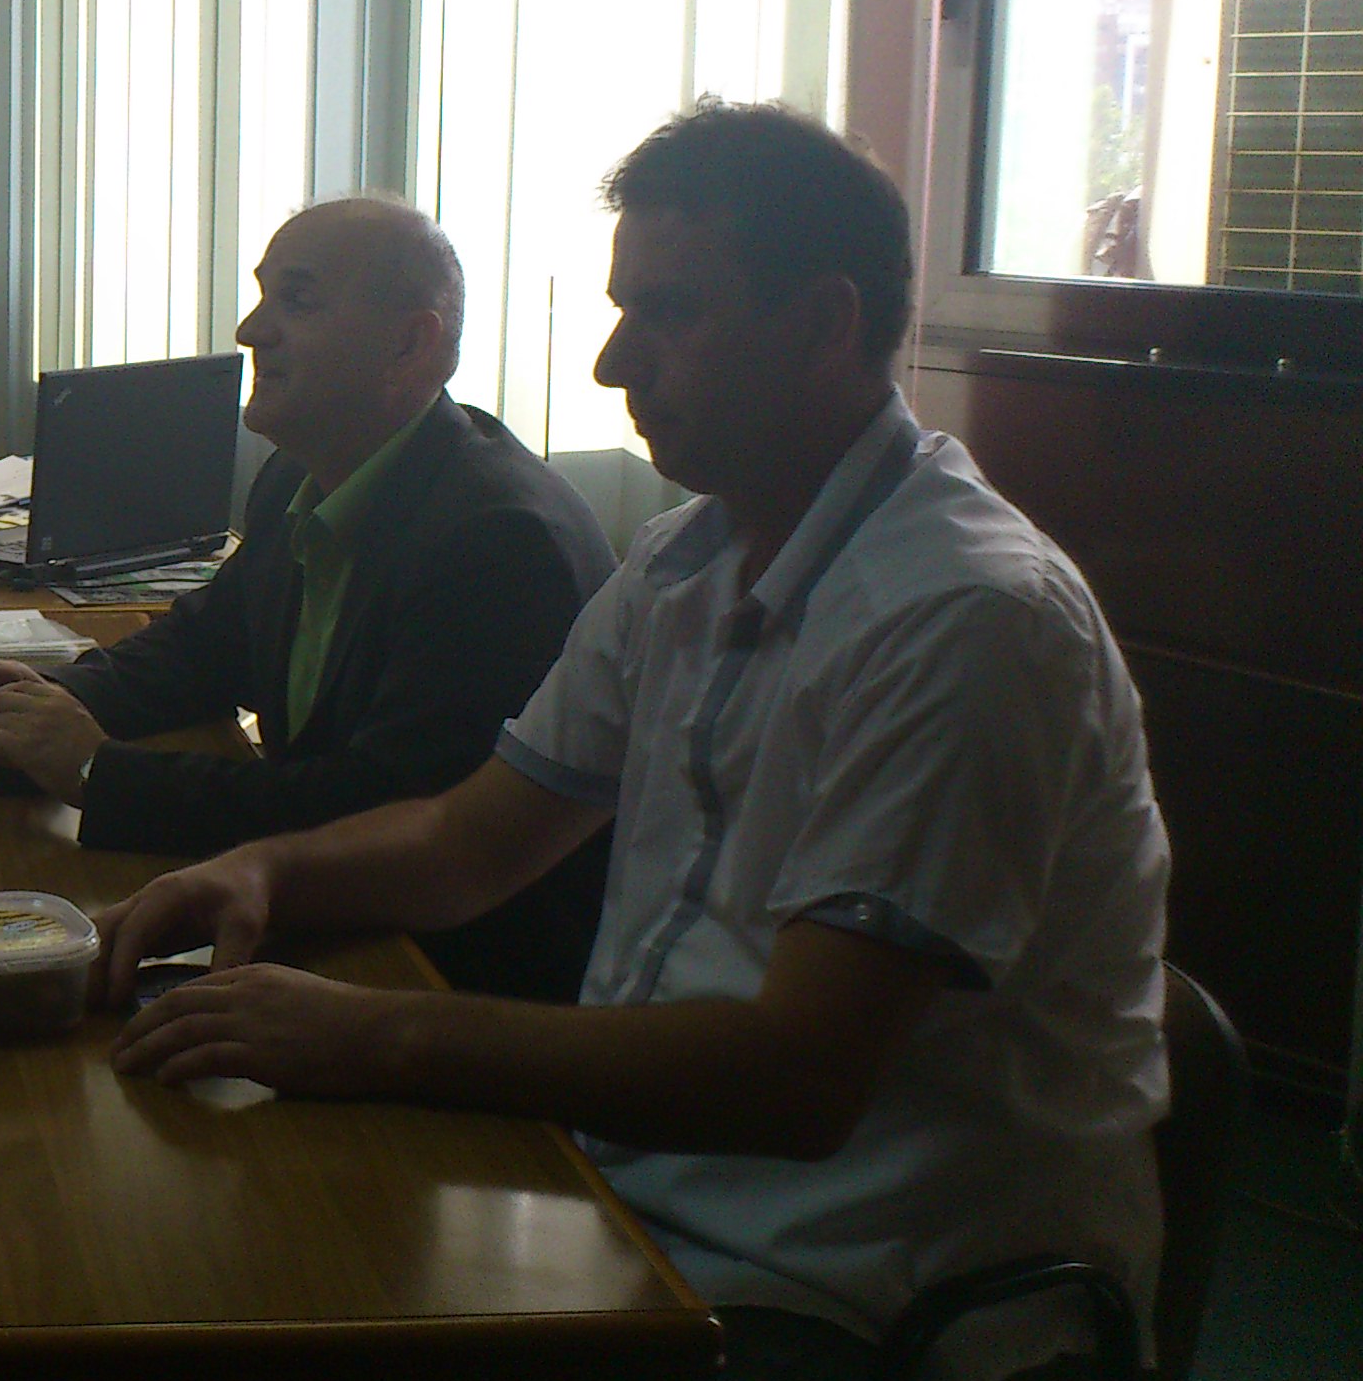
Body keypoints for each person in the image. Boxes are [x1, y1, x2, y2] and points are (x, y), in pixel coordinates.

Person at [97, 103, 1169, 1381]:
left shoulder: (964, 619)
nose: (613, 364)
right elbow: (468, 841)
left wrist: (376, 1036)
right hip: (644, 1196)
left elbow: (797, 1080)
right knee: (204, 1247)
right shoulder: (684, 560)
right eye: (621, 311)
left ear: (825, 325)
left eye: (669, 314)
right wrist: (264, 872)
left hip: (861, 1297)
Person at [0, 197, 615, 1001]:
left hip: (449, 980)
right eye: (263, 295)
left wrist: (98, 771)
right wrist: (53, 695)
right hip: (328, 924)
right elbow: (206, 645)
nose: (250, 329)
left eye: (297, 300)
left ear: (408, 344)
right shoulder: (302, 472)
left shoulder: (497, 543)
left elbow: (377, 807)